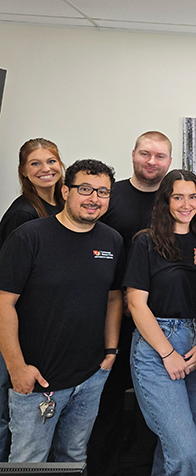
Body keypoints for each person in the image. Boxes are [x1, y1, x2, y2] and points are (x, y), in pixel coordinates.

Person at [0, 159, 124, 463]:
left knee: (73, 457)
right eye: (85, 189)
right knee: (29, 461)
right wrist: (17, 368)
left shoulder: (112, 240)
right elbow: (4, 303)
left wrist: (110, 351)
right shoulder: (29, 236)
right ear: (65, 191)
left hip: (90, 377)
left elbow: (113, 298)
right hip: (38, 381)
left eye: (103, 192)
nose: (94, 198)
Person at [88, 131, 173, 476]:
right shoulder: (112, 196)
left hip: (159, 322)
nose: (151, 162)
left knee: (149, 408)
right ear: (133, 154)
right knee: (105, 402)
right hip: (111, 317)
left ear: (169, 161)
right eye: (145, 154)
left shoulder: (174, 200)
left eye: (159, 156)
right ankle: (100, 467)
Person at [125, 170, 196, 476]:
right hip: (157, 347)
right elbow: (136, 303)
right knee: (186, 451)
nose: (186, 204)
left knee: (174, 449)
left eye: (192, 197)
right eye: (178, 197)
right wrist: (167, 353)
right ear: (165, 200)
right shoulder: (146, 242)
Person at [0, 137, 66, 461]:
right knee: (8, 414)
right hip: (18, 330)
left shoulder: (63, 207)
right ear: (24, 172)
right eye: (35, 164)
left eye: (50, 161)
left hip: (45, 329)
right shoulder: (23, 215)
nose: (45, 169)